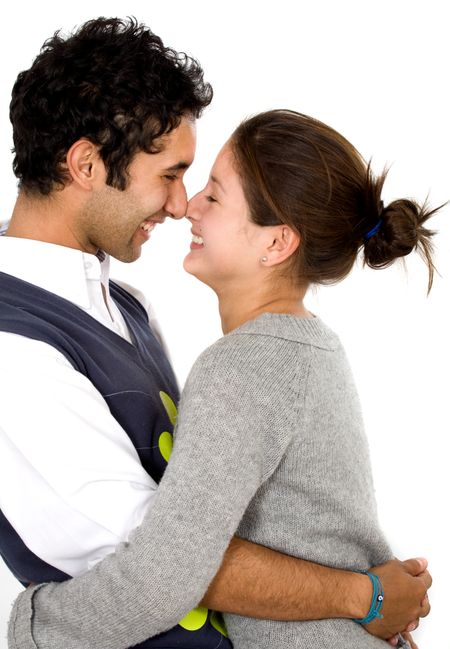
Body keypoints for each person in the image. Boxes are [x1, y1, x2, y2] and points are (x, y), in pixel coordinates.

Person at [1, 17, 430, 649]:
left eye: (203, 186)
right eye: (170, 175)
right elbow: (161, 555)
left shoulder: (128, 306)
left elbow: (187, 545)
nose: (181, 205)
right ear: (86, 164)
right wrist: (362, 595)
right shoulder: (15, 344)